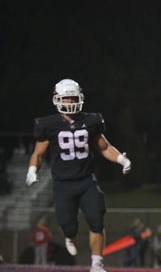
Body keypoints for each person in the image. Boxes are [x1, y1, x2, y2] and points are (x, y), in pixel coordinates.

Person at [26, 79, 132, 272]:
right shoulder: (48, 124)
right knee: (68, 225)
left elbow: (105, 147)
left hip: (86, 180)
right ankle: (69, 236)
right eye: (65, 99)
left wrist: (121, 160)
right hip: (62, 184)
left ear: (80, 98)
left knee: (96, 219)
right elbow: (38, 153)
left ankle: (97, 265)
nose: (69, 102)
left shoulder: (90, 121)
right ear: (57, 99)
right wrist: (32, 170)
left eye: (72, 98)